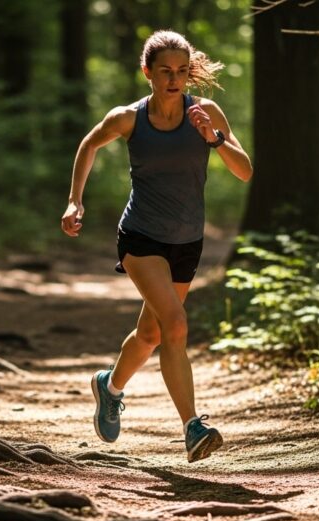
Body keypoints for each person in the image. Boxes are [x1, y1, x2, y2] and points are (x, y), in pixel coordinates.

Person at [60, 30, 253, 463]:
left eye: (182, 71)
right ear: (147, 72)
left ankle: (109, 387)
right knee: (176, 325)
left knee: (151, 334)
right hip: (141, 238)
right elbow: (89, 144)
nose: (174, 79)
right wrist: (75, 199)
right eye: (165, 71)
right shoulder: (129, 118)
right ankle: (193, 427)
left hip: (187, 241)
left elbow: (244, 172)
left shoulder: (206, 113)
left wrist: (215, 139)